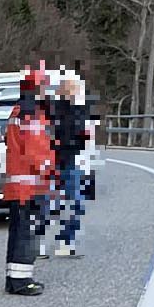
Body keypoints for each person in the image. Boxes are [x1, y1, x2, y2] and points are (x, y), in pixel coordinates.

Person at [4, 64, 55, 295]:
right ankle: (22, 282)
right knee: (27, 233)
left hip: (17, 185)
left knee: (17, 232)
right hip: (30, 186)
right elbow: (37, 151)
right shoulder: (32, 114)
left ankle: (13, 279)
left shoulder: (16, 112)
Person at [49, 70, 92, 256]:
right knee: (49, 205)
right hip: (53, 162)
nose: (76, 91)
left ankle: (66, 242)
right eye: (74, 87)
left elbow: (84, 134)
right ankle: (41, 244)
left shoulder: (78, 110)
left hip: (70, 161)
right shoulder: (52, 110)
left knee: (75, 204)